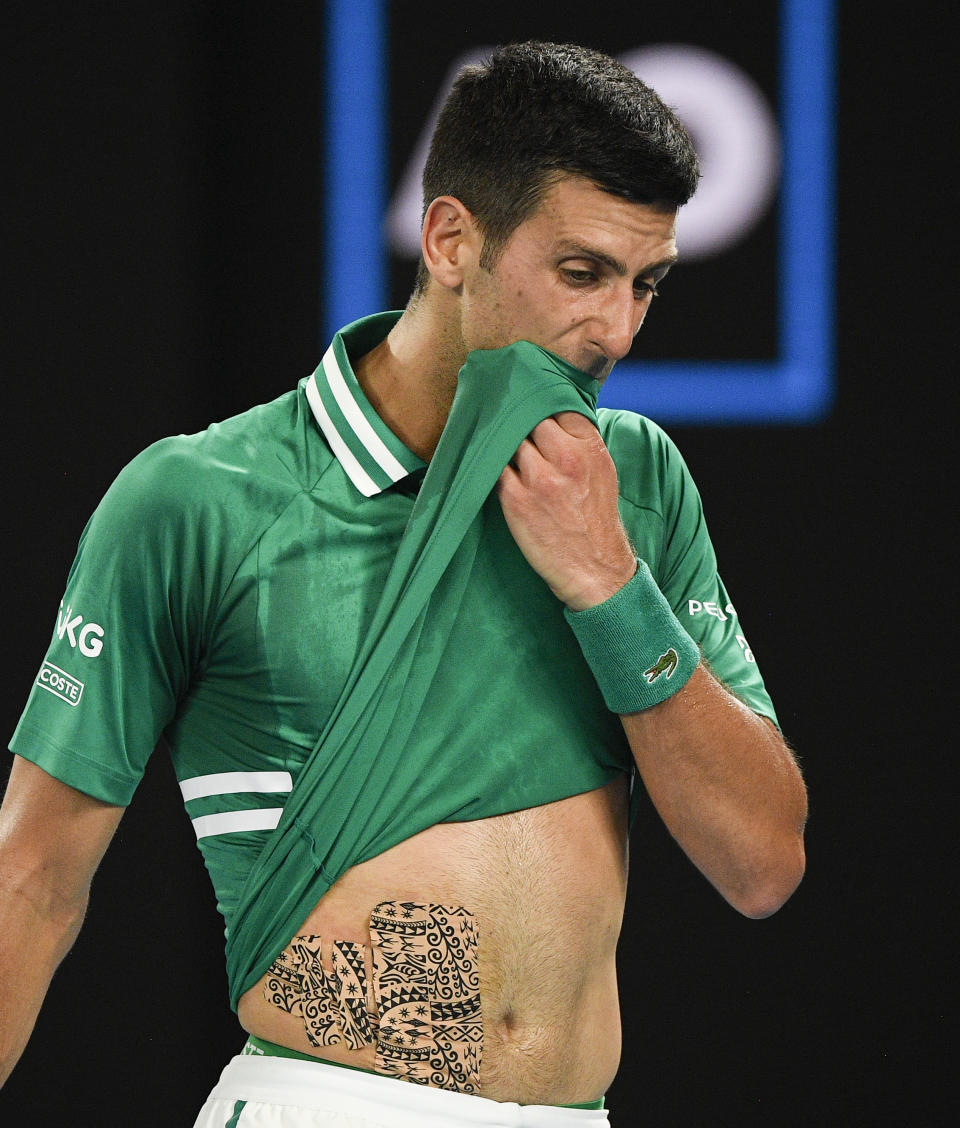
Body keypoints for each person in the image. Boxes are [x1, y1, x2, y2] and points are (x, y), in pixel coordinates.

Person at [0, 41, 807, 1127]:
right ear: (450, 240)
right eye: (581, 273)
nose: (616, 330)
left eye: (645, 283)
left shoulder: (636, 487)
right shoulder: (199, 499)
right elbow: (33, 882)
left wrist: (610, 587)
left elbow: (763, 863)